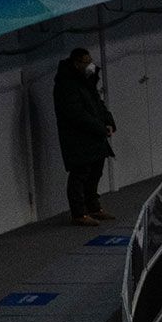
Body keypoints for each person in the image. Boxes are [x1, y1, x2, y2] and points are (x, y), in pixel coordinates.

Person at [51, 48, 116, 227]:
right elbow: (76, 114)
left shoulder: (87, 80)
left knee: (96, 171)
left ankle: (93, 207)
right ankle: (79, 213)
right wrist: (101, 128)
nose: (90, 65)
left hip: (94, 136)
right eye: (86, 62)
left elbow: (97, 103)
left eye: (90, 60)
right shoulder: (66, 85)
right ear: (76, 63)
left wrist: (109, 121)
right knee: (80, 174)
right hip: (77, 138)